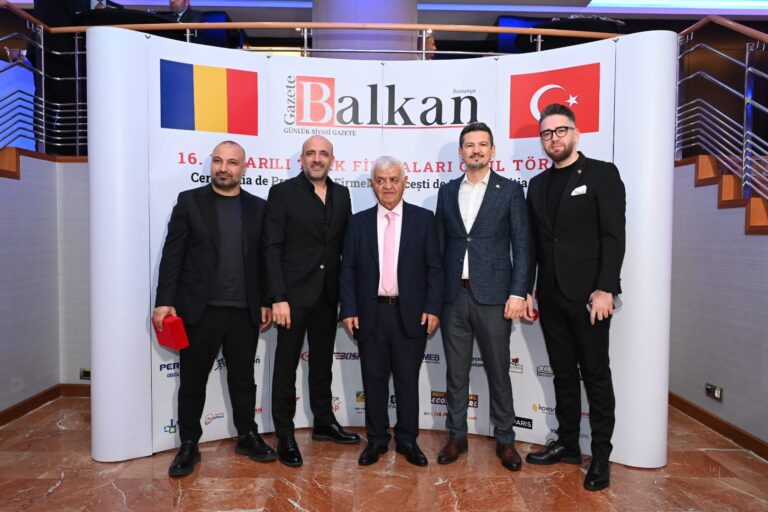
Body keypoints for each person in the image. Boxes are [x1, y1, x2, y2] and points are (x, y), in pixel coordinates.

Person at [153, 141, 276, 477]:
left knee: (243, 380)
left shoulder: (258, 208)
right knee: (192, 382)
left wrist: (266, 300)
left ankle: (247, 435)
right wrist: (164, 300)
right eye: (218, 161)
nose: (224, 168)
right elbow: (173, 255)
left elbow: (265, 260)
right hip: (199, 311)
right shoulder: (189, 201)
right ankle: (188, 444)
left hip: (244, 312)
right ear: (211, 165)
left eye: (232, 162)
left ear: (244, 168)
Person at [524, 103, 626, 491]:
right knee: (563, 374)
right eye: (547, 133)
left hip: (590, 298)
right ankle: (568, 443)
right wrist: (528, 289)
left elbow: (613, 236)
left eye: (561, 130)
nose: (554, 138)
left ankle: (600, 456)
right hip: (550, 296)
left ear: (576, 133)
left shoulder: (602, 174)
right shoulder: (537, 184)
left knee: (596, 376)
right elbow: (535, 244)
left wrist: (606, 288)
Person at [434, 122, 530, 471]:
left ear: (492, 151)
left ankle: (505, 439)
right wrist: (435, 297)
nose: (476, 150)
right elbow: (440, 246)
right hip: (453, 297)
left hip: (494, 297)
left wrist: (518, 291)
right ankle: (456, 436)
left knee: (499, 372)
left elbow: (522, 245)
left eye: (482, 144)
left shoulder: (510, 191)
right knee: (456, 373)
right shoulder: (447, 192)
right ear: (461, 152)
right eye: (469, 145)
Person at [339, 157, 443, 467]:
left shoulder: (424, 219)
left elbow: (435, 267)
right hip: (370, 314)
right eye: (381, 180)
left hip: (411, 314)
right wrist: (349, 309)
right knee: (373, 381)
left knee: (407, 380)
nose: (387, 186)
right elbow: (348, 269)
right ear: (372, 184)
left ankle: (408, 439)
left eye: (393, 179)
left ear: (404, 182)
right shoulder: (357, 223)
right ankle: (376, 440)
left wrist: (433, 307)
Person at [264, 135, 359, 468]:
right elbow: (271, 248)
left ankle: (323, 422)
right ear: (301, 159)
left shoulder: (342, 195)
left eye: (323, 154)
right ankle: (285, 434)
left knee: (321, 364)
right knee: (286, 366)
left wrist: (347, 298)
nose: (317, 158)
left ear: (332, 159)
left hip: (327, 296)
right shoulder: (282, 193)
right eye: (310, 153)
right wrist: (278, 297)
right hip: (291, 299)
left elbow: (346, 249)